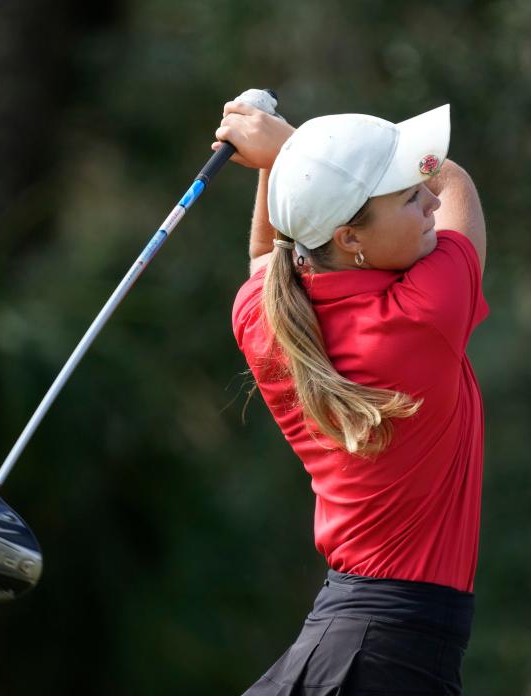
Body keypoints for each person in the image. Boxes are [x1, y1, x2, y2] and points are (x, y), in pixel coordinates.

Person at [213, 97, 488, 695]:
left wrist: (290, 164)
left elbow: (267, 258)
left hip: (350, 638)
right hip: (389, 659)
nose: (431, 202)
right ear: (349, 237)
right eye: (411, 198)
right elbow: (454, 178)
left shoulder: (268, 320)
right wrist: (286, 149)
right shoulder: (425, 316)